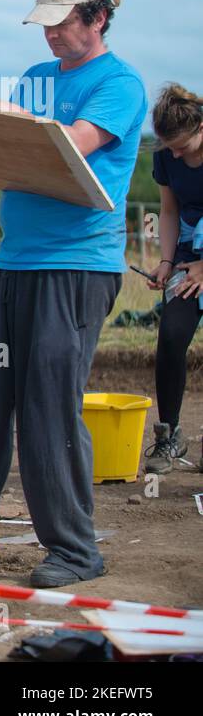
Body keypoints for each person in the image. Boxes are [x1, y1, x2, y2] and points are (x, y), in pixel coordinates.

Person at [0, 0, 146, 588]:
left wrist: (7, 116)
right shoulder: (34, 81)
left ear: (97, 17)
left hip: (78, 266)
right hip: (15, 261)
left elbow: (70, 144)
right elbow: (4, 150)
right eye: (44, 25)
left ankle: (76, 550)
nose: (50, 36)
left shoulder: (120, 84)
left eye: (61, 23)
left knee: (48, 407)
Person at [144, 84, 203, 475]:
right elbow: (168, 210)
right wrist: (167, 260)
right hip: (187, 254)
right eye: (170, 147)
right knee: (170, 338)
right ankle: (169, 437)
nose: (176, 154)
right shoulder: (168, 157)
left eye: (182, 146)